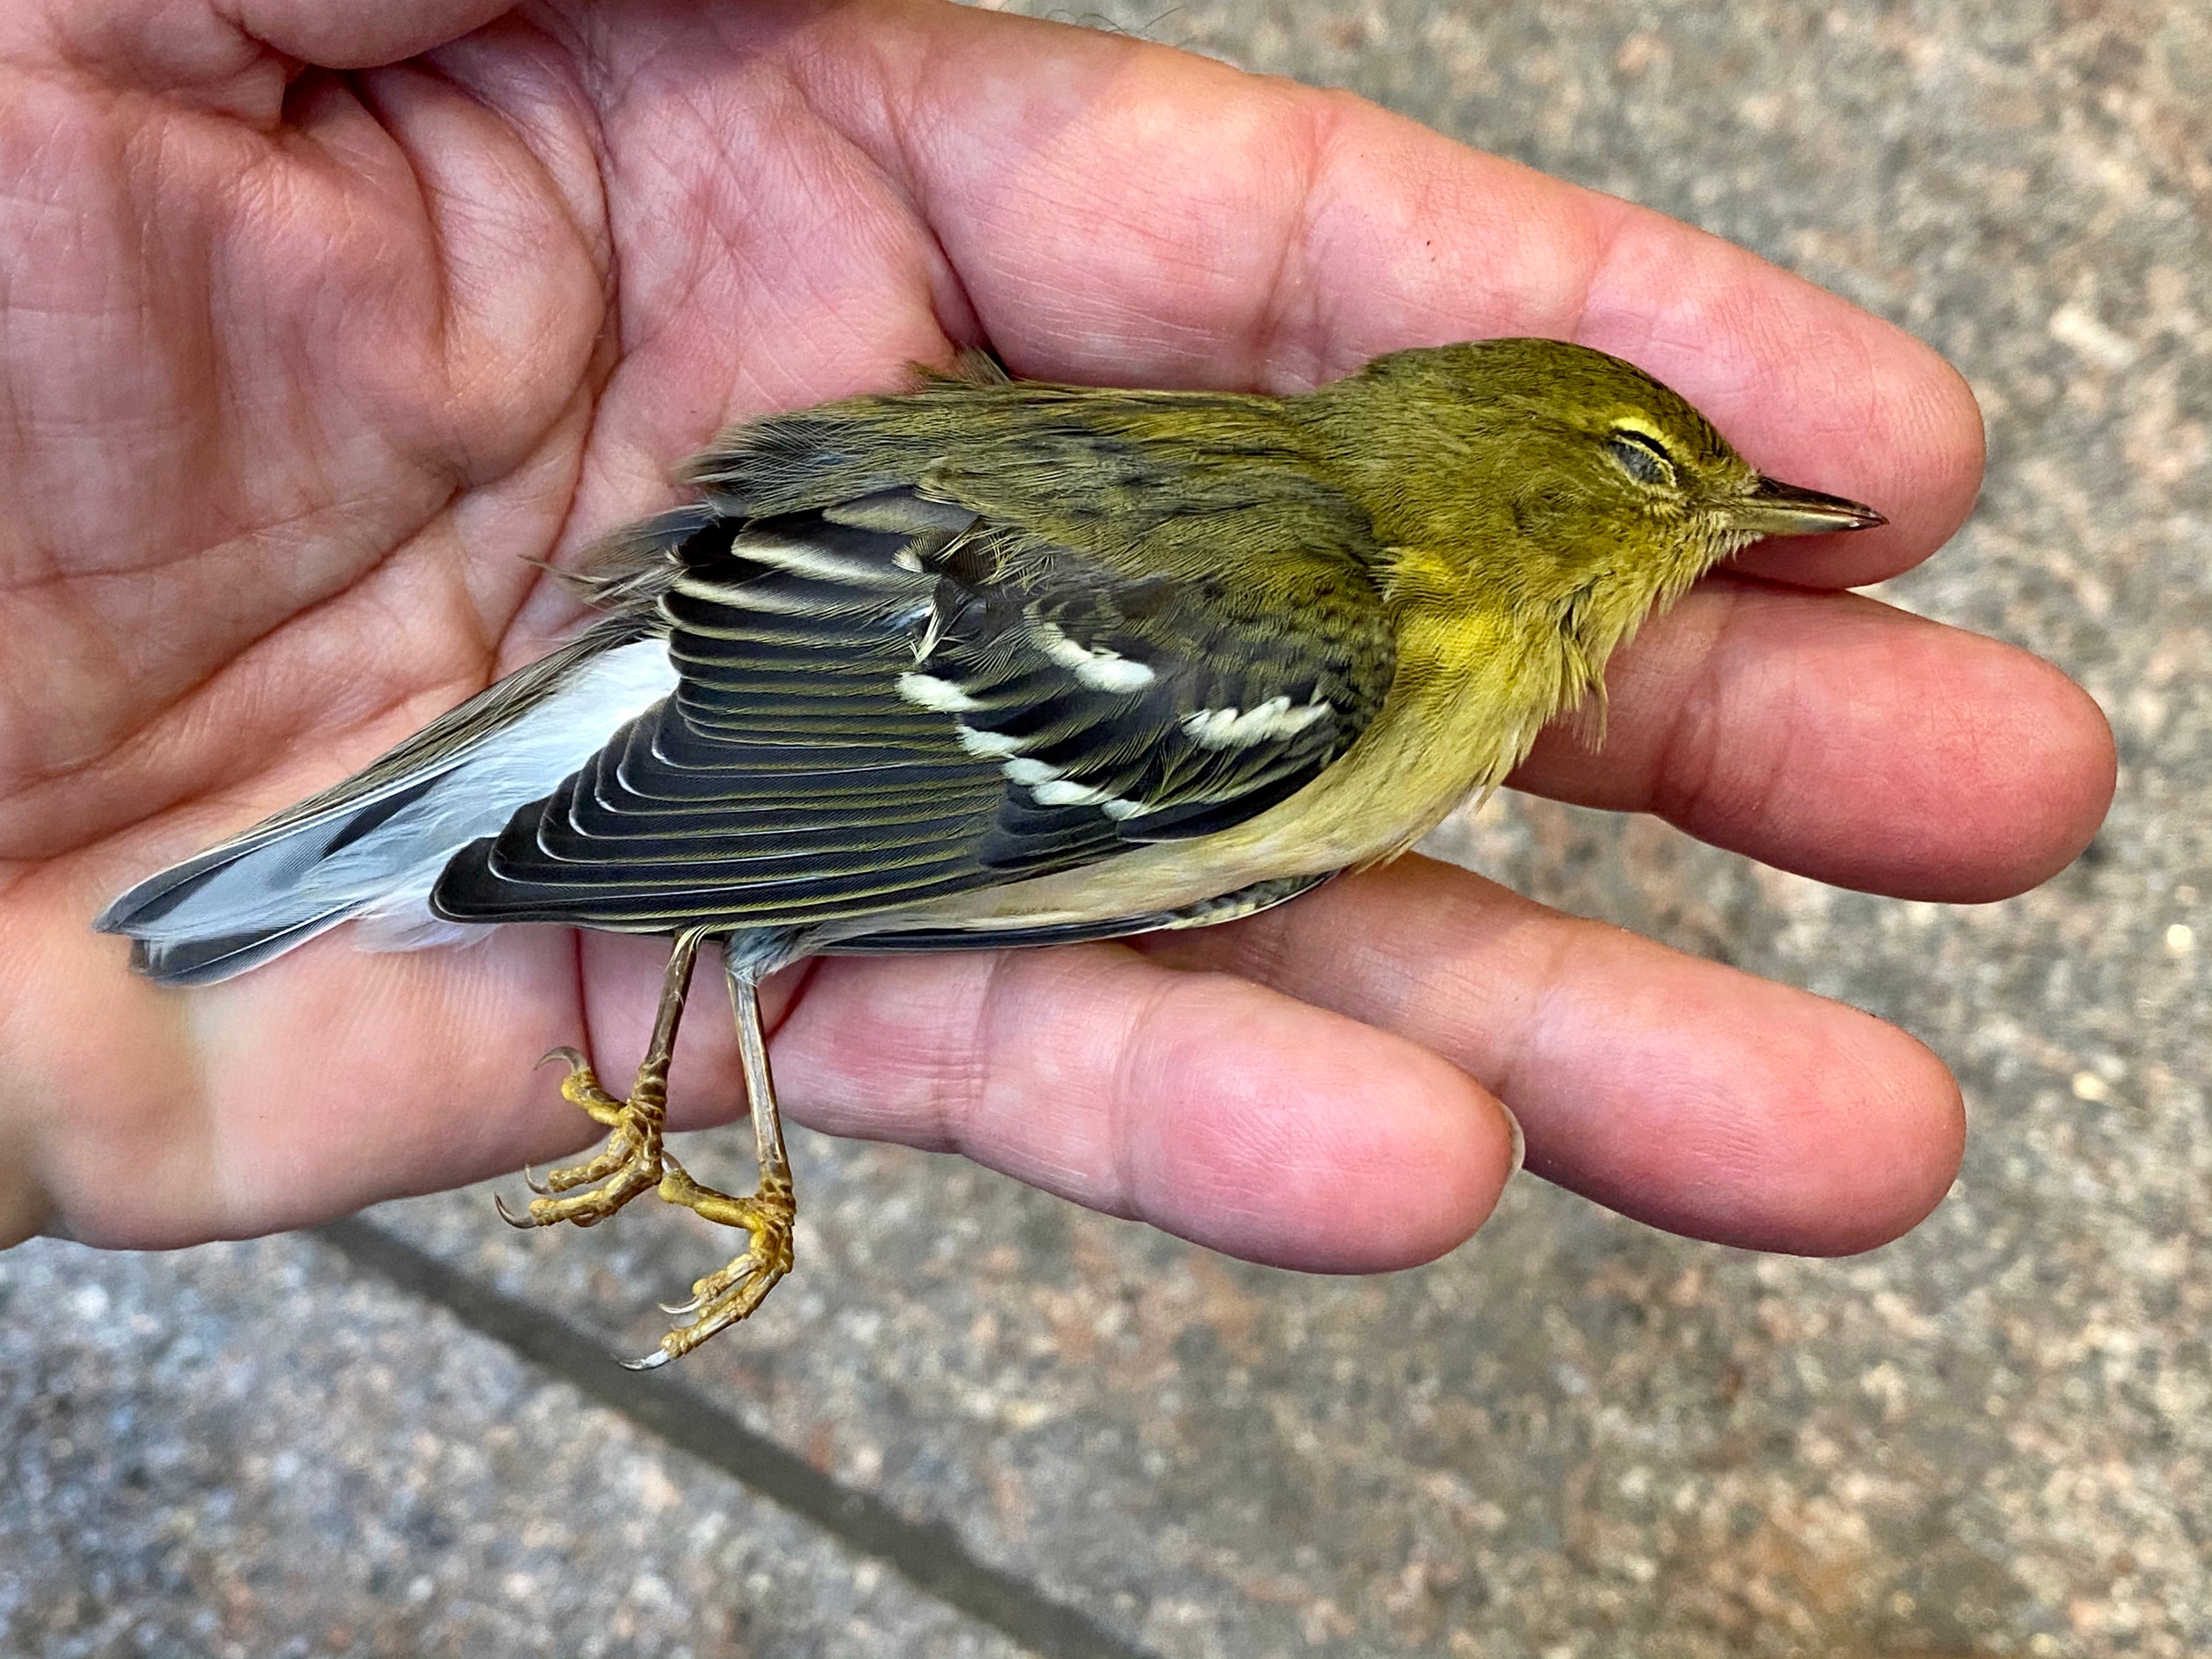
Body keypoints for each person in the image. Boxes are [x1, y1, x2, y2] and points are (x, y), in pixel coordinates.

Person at [0, 0, 2113, 1282]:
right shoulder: (1345, 631)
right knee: (733, 895)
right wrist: (582, 852)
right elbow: (908, 783)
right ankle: (593, 1054)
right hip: (808, 683)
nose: (1721, 521)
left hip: (823, 631)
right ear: (1533, 483)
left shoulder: (1381, 574)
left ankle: (616, 1069)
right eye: (1666, 479)